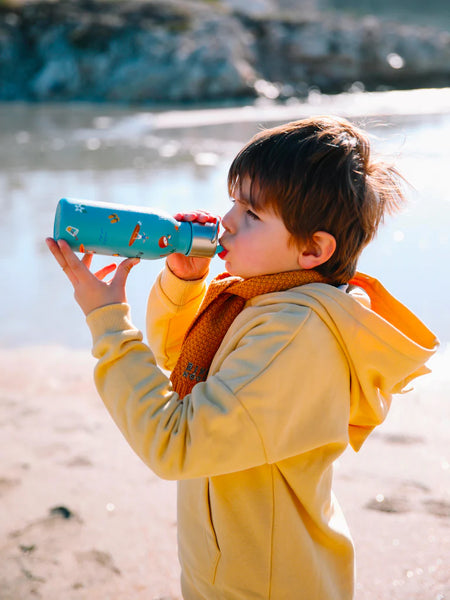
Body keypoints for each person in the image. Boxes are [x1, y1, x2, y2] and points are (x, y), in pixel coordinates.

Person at [46, 116, 438, 600]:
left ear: (314, 248)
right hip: (231, 570)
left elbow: (176, 442)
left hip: (268, 585)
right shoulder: (261, 297)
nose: (226, 221)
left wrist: (107, 319)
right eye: (233, 202)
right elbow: (183, 361)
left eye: (251, 214)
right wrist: (186, 282)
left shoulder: (295, 334)